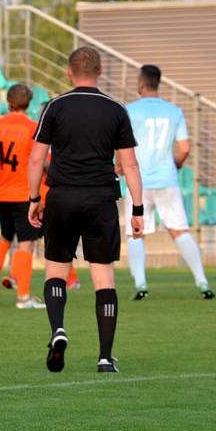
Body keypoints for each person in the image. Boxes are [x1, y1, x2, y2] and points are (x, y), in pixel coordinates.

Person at [28, 46, 144, 373]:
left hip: (62, 196)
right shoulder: (116, 110)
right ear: (100, 71)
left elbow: (37, 158)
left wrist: (34, 198)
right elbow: (130, 166)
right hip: (101, 199)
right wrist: (138, 208)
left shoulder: (54, 106)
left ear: (69, 71)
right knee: (103, 275)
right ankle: (105, 357)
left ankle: (58, 330)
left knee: (56, 270)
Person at [125, 65, 213, 300]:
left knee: (136, 233)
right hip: (166, 179)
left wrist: (119, 168)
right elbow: (184, 148)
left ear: (141, 83)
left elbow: (122, 148)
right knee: (180, 231)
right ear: (158, 83)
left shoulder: (129, 110)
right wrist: (175, 165)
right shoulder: (174, 111)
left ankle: (141, 283)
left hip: (138, 182)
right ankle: (202, 282)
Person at [0, 84, 46, 309]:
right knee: (26, 243)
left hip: (3, 192)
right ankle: (23, 297)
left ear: (8, 101)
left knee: (5, 237)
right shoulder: (32, 127)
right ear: (29, 103)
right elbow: (41, 161)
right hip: (23, 193)